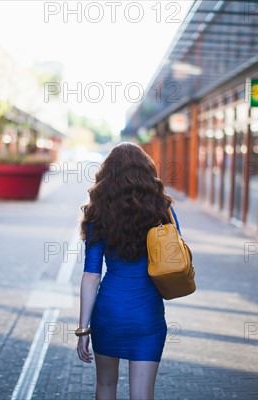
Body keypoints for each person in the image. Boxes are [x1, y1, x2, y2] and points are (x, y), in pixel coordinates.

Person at [77, 142, 180, 400]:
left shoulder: (98, 213)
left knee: (105, 386)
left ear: (106, 175)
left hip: (108, 313)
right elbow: (173, 255)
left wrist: (82, 330)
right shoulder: (162, 210)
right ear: (146, 172)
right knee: (143, 395)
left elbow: (91, 275)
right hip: (147, 314)